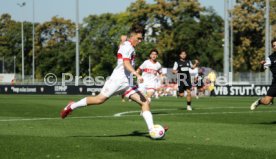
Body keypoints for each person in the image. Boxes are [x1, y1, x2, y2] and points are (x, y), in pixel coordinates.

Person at [60, 27, 165, 134]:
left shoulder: (128, 46)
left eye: (141, 39)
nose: (140, 41)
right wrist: (137, 74)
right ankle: (72, 106)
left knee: (145, 102)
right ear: (132, 36)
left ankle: (152, 129)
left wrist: (123, 41)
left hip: (127, 84)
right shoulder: (128, 47)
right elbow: (126, 63)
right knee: (99, 100)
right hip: (117, 81)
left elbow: (121, 50)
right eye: (139, 38)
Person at [250, 38, 276, 110]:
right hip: (275, 84)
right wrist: (262, 65)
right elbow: (262, 70)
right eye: (274, 45)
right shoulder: (270, 58)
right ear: (272, 47)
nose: (275, 47)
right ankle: (259, 102)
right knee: (266, 101)